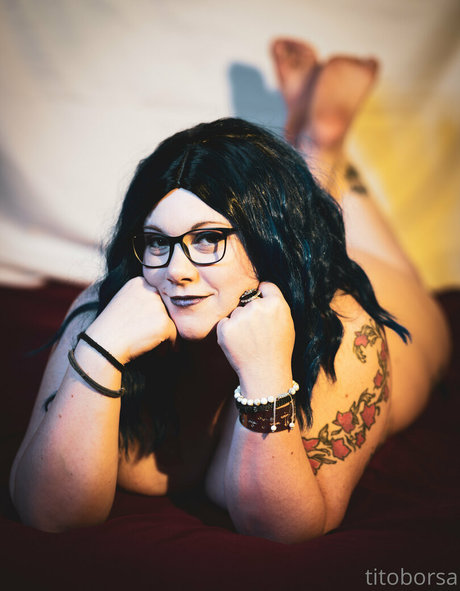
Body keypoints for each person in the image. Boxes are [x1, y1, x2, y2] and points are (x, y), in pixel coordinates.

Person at [9, 40, 451, 544]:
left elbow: (284, 529)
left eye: (208, 239)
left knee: (332, 232)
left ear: (266, 244)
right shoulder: (106, 310)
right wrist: (102, 351)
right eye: (157, 241)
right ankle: (316, 145)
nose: (176, 271)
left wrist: (266, 374)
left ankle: (322, 147)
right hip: (260, 265)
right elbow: (49, 514)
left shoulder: (347, 332)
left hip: (400, 309)